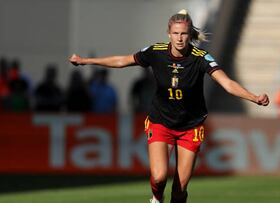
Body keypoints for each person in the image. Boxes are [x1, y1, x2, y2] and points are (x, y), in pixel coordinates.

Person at [69, 9, 269, 203]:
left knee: (180, 190)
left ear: (190, 34)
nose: (180, 38)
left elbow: (227, 83)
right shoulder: (156, 52)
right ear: (169, 34)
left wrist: (253, 97)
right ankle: (156, 198)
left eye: (183, 34)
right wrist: (87, 61)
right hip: (161, 122)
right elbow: (123, 60)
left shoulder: (200, 57)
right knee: (159, 177)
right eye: (175, 33)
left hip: (191, 126)